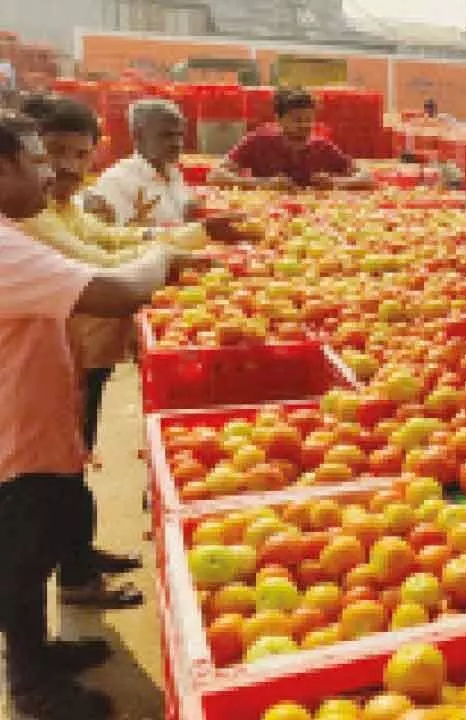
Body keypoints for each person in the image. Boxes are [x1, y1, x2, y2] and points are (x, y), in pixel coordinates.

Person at [0, 111, 203, 720]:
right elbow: (112, 290)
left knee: (38, 539)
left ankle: (40, 649)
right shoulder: (4, 244)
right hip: (13, 427)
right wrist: (163, 261)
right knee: (19, 552)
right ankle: (31, 683)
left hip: (32, 413)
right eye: (37, 160)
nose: (53, 172)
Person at [20, 97, 254, 608]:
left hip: (72, 353)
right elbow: (101, 267)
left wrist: (188, 238)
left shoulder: (60, 206)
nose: (64, 167)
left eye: (79, 155)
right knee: (45, 487)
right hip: (43, 369)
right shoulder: (30, 223)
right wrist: (174, 256)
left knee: (72, 459)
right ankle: (71, 579)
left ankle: (77, 557)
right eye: (50, 154)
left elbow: (106, 238)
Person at [208, 88, 373, 190]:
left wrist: (336, 183)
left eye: (309, 119)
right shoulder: (257, 142)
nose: (305, 125)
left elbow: (367, 176)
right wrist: (262, 184)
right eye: (297, 120)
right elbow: (215, 175)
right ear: (279, 120)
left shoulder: (322, 148)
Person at [89, 98, 195, 226]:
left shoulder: (174, 174)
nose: (177, 143)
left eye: (180, 135)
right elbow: (120, 238)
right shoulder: (116, 181)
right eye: (167, 135)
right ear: (138, 135)